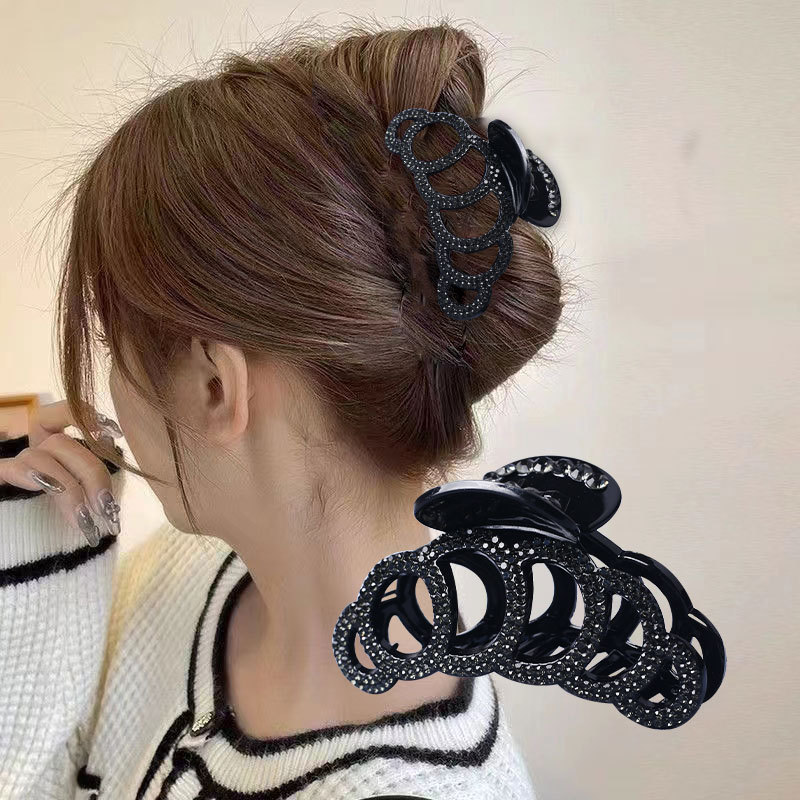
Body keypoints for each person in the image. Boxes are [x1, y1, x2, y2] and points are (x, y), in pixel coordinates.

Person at [0, 20, 567, 799]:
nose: (107, 386)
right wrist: (28, 545)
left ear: (214, 386)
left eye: (110, 336)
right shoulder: (186, 577)